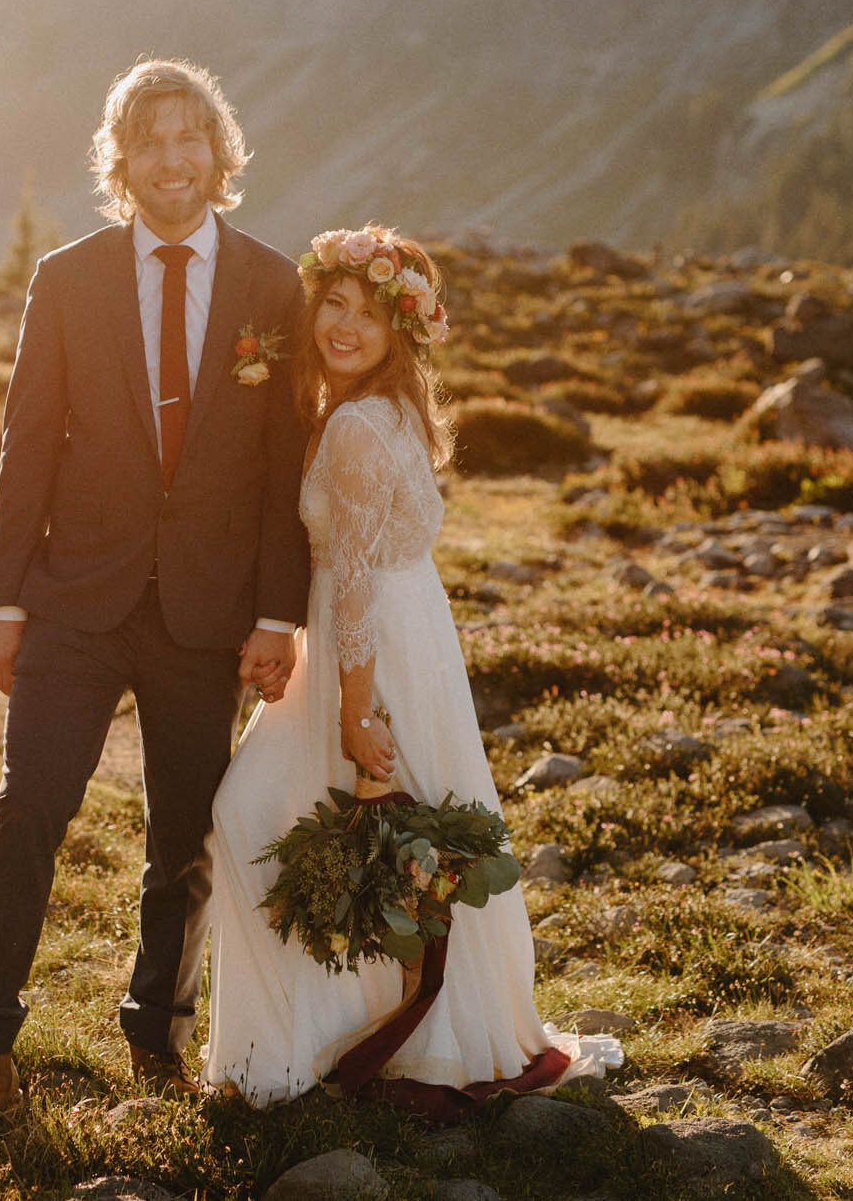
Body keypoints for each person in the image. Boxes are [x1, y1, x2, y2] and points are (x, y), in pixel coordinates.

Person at [0, 59, 313, 1127]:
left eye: (190, 139)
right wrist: (6, 597)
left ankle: (158, 1029)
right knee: (26, 814)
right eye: (150, 142)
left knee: (186, 836)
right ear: (122, 159)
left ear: (219, 154)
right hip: (74, 601)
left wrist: (275, 614)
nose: (172, 160)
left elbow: (285, 464)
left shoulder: (269, 284)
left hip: (206, 613)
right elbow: (25, 443)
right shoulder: (68, 277)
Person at [201, 225, 623, 1105]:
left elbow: (349, 581)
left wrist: (356, 710)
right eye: (335, 305)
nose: (344, 326)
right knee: (383, 838)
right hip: (409, 636)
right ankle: (348, 1031)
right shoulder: (381, 410)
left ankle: (301, 1050)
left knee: (260, 817)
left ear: (403, 331)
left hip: (373, 653)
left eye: (367, 314)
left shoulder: (356, 424)